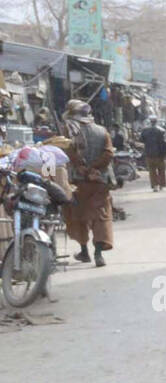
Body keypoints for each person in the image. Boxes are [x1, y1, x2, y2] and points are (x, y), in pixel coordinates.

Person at [59, 99, 114, 267]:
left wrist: (82, 167)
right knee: (100, 216)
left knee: (78, 216)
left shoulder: (69, 130)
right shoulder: (102, 130)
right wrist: (93, 167)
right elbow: (108, 153)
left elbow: (67, 152)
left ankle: (84, 251)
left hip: (78, 181)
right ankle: (98, 254)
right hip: (100, 181)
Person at [139, 117, 166, 191]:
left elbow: (141, 140)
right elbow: (165, 143)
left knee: (152, 171)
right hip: (159, 154)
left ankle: (155, 186)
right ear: (156, 122)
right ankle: (161, 185)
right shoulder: (161, 131)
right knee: (161, 170)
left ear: (150, 122)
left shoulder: (145, 131)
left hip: (149, 154)